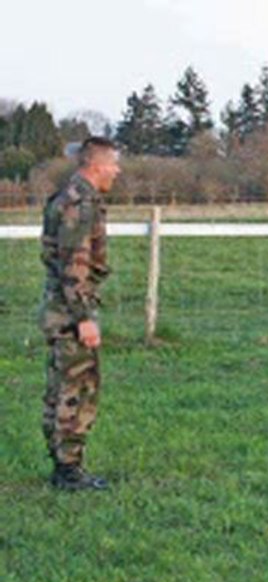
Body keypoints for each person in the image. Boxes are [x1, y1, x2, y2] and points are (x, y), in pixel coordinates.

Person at [40, 137, 121, 491]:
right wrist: (84, 317)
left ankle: (62, 464)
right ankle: (69, 470)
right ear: (96, 165)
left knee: (60, 386)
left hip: (59, 308)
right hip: (70, 312)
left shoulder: (67, 196)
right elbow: (74, 264)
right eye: (113, 164)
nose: (117, 171)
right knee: (77, 388)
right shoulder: (80, 203)